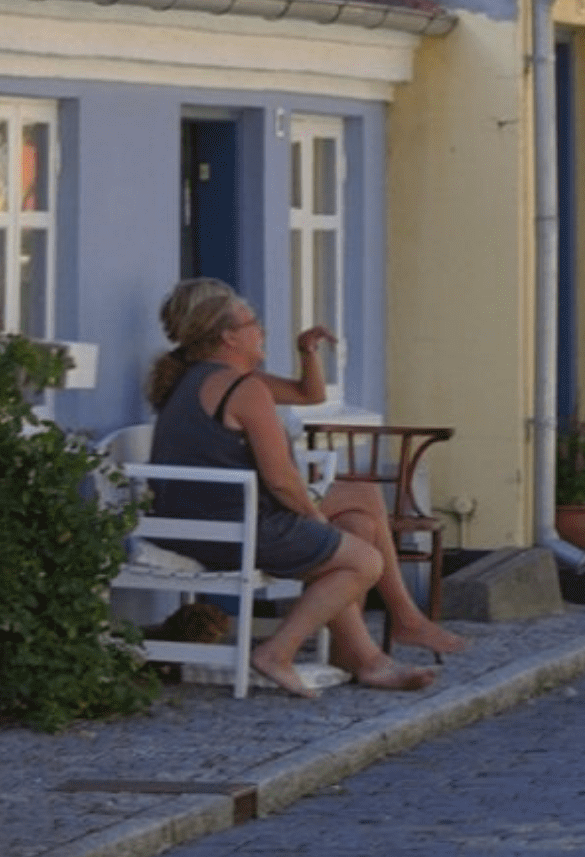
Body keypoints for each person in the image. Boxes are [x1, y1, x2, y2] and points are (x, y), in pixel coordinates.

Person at [143, 277, 464, 697]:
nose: (262, 330)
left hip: (202, 520)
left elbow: (307, 397)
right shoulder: (243, 389)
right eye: (253, 322)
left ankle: (368, 657)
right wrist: (314, 519)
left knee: (361, 514)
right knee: (364, 561)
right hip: (238, 526)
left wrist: (306, 353)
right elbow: (280, 479)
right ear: (228, 337)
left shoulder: (196, 379)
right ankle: (279, 652)